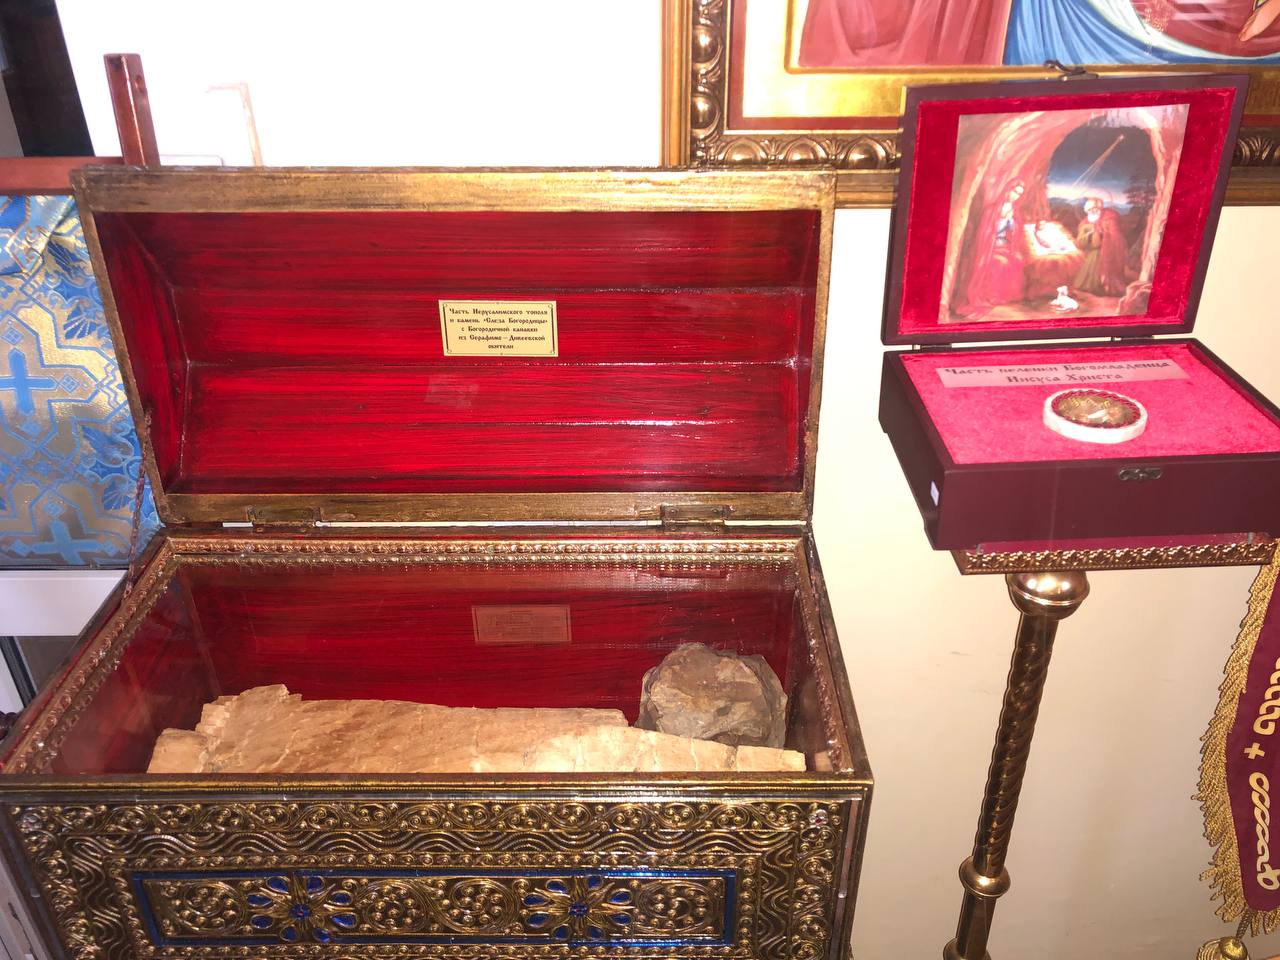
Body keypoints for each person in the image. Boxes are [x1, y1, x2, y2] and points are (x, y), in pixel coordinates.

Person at [956, 180, 1028, 316]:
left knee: (1018, 260)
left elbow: (1016, 232)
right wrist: (1000, 222)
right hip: (990, 247)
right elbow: (984, 232)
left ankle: (1005, 295)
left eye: (1019, 194)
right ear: (1008, 189)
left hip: (1006, 245)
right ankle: (992, 296)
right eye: (1014, 191)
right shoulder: (992, 210)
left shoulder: (1015, 211)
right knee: (1001, 262)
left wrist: (1011, 222)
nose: (1015, 196)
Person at [1073, 197, 1129, 297]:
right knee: (1089, 270)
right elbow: (1081, 240)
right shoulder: (1085, 222)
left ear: (1100, 208)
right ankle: (1092, 287)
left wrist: (1104, 234)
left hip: (1108, 250)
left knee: (1105, 272)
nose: (1092, 211)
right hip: (1092, 251)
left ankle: (1105, 287)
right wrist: (1089, 235)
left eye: (1095, 208)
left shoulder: (1109, 218)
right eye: (1089, 209)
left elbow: (1115, 235)